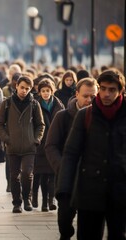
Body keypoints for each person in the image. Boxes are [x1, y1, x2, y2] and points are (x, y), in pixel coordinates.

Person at [56, 69, 126, 240]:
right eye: (103, 88)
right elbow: (71, 153)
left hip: (120, 192)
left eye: (112, 90)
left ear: (120, 91)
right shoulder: (85, 115)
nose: (106, 94)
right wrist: (64, 190)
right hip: (89, 192)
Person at [45, 77, 99, 239]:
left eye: (93, 97)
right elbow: (51, 145)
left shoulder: (99, 118)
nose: (89, 100)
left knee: (89, 221)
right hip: (67, 175)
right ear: (77, 94)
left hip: (92, 177)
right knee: (65, 218)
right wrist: (62, 167)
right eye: (86, 96)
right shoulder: (63, 116)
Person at [0, 76, 45, 213]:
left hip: (29, 146)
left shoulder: (34, 104)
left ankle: (27, 199)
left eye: (27, 89)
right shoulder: (7, 103)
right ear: (16, 86)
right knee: (14, 175)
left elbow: (40, 125)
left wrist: (36, 140)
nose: (24, 91)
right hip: (12, 146)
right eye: (22, 87)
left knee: (27, 174)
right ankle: (17, 203)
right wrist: (6, 139)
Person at [32, 79, 64, 212]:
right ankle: (44, 202)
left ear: (52, 91)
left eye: (48, 91)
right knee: (43, 175)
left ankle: (51, 200)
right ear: (39, 92)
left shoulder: (59, 105)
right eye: (43, 91)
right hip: (40, 145)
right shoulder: (36, 105)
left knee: (53, 175)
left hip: (55, 143)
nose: (45, 93)